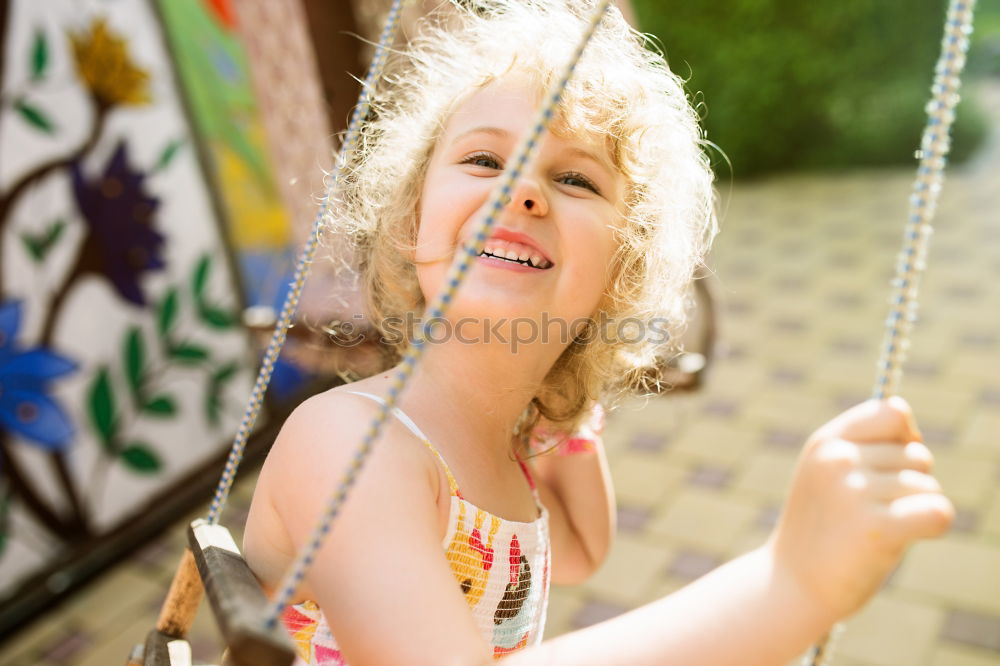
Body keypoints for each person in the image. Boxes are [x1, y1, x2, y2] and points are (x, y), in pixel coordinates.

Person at [243, 2, 954, 664]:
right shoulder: (348, 445)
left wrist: (557, 394)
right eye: (484, 159)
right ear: (411, 222)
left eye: (576, 180)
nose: (522, 188)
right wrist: (789, 586)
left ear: (621, 272)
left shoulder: (504, 443)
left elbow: (579, 548)